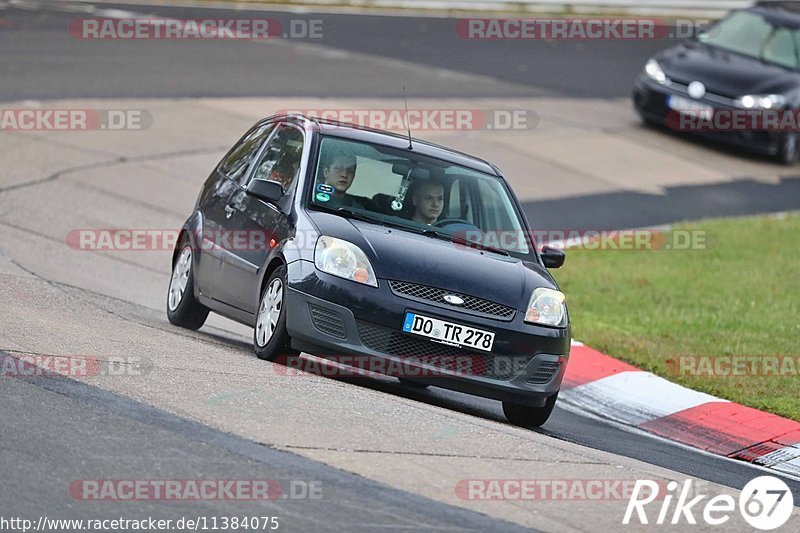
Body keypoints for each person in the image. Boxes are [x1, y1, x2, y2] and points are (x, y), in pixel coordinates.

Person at [320, 146, 377, 211]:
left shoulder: (359, 209)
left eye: (350, 171)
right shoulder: (310, 198)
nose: (344, 175)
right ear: (326, 172)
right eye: (339, 168)